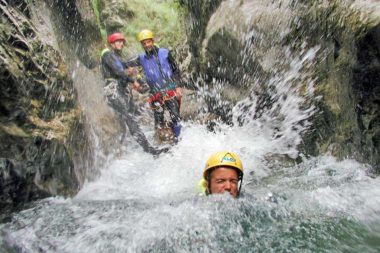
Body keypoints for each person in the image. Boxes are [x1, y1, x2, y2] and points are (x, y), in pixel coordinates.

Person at [101, 32, 168, 155]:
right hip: (113, 91)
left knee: (129, 118)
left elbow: (125, 70)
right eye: (118, 41)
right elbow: (118, 72)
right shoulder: (108, 54)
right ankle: (149, 150)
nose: (121, 43)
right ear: (112, 43)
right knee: (130, 119)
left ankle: (125, 148)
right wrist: (133, 81)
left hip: (119, 90)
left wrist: (140, 82)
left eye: (122, 41)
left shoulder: (116, 57)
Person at [126, 29, 183, 139]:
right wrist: (129, 67)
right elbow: (126, 64)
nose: (147, 45)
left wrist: (178, 86)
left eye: (148, 42)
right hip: (155, 94)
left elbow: (176, 70)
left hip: (170, 90)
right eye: (144, 43)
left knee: (176, 117)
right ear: (142, 45)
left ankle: (179, 140)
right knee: (158, 121)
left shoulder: (165, 52)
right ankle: (161, 142)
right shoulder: (141, 58)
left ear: (152, 41)